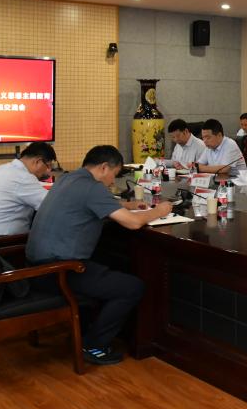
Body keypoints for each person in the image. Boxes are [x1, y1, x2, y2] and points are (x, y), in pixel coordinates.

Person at [26, 145, 172, 365]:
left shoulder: (69, 178)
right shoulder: (93, 188)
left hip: (36, 266)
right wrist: (160, 211)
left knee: (110, 264)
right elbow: (133, 223)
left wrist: (127, 205)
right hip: (59, 270)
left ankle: (84, 331)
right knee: (132, 287)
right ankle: (94, 345)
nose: (113, 182)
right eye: (114, 174)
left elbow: (91, 202)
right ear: (104, 167)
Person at [0, 141, 56, 236]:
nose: (48, 171)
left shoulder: (2, 168)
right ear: (38, 161)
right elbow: (52, 205)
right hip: (3, 241)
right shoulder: (23, 177)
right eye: (48, 166)